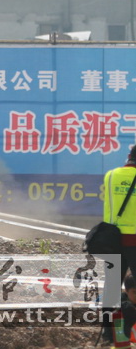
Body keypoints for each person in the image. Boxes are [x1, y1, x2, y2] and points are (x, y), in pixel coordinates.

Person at [101, 145, 136, 338]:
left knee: (112, 288)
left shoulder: (111, 175)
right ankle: (131, 332)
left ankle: (110, 333)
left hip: (114, 241)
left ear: (129, 156)